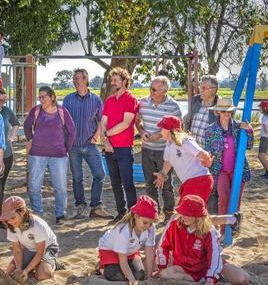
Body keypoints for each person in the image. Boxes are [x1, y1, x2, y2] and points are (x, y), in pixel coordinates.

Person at [154, 115, 241, 229]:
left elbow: (203, 154)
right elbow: (168, 162)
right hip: (191, 182)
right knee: (195, 216)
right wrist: (163, 174)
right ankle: (231, 220)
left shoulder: (185, 141)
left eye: (163, 128)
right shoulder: (169, 145)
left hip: (199, 180)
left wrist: (208, 162)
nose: (160, 131)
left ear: (172, 131)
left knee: (187, 214)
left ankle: (227, 222)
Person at [157, 195, 250, 285]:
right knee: (164, 274)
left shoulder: (209, 231)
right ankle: (200, 279)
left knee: (243, 279)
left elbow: (214, 256)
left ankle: (213, 275)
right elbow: (163, 246)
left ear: (198, 215)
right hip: (183, 266)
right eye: (183, 212)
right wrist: (162, 265)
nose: (184, 216)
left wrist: (211, 278)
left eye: (188, 214)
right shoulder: (174, 223)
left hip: (206, 265)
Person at [62, 68, 113, 220]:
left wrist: (97, 136)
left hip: (90, 144)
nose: (76, 81)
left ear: (85, 79)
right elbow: (63, 122)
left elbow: (101, 121)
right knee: (77, 177)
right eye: (74, 79)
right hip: (74, 146)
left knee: (100, 174)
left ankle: (96, 206)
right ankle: (80, 206)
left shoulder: (96, 100)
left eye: (78, 78)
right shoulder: (68, 100)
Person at [23, 86, 76, 225]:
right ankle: (37, 213)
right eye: (39, 97)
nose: (41, 100)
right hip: (37, 154)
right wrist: (30, 139)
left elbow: (72, 131)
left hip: (59, 155)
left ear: (52, 97)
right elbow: (27, 126)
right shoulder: (36, 111)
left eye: (44, 97)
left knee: (60, 186)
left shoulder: (62, 111)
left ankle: (60, 214)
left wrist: (66, 148)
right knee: (34, 185)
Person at [136, 76, 182, 223]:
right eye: (151, 88)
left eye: (155, 89)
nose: (151, 91)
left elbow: (178, 130)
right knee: (150, 183)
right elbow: (137, 121)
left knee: (166, 183)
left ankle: (169, 213)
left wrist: (158, 136)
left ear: (165, 91)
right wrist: (142, 131)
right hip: (146, 149)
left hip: (165, 151)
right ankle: (152, 213)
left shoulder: (173, 106)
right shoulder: (142, 102)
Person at [205, 98, 254, 224]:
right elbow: (208, 149)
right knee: (223, 198)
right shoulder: (210, 130)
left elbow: (249, 146)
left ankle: (234, 227)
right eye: (223, 111)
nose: (226, 114)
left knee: (236, 199)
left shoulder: (239, 127)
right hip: (220, 170)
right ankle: (223, 229)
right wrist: (207, 160)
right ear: (218, 112)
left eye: (229, 111)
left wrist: (249, 131)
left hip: (238, 169)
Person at [100, 67, 139, 222]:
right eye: (112, 79)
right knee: (115, 183)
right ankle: (121, 213)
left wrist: (107, 134)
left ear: (124, 81)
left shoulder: (131, 99)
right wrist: (106, 140)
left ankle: (133, 215)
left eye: (116, 79)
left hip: (124, 148)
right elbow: (103, 122)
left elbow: (126, 123)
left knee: (127, 182)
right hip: (109, 148)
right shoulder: (109, 100)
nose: (112, 82)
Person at [97, 195, 158, 283]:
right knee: (118, 276)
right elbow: (123, 261)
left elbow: (149, 251)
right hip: (110, 251)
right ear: (136, 216)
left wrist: (149, 277)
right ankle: (101, 267)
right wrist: (132, 281)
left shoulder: (150, 228)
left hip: (129, 252)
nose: (148, 226)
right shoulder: (123, 231)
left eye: (151, 223)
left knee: (140, 275)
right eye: (145, 222)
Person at [0, 196, 60, 283]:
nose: (10, 221)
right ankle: (37, 265)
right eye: (7, 219)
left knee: (43, 275)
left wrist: (26, 271)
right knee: (9, 272)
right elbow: (17, 250)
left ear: (23, 212)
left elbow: (40, 253)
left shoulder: (37, 225)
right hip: (29, 248)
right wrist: (19, 269)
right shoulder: (11, 226)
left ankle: (53, 264)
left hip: (47, 248)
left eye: (12, 217)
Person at [0, 86, 20, 229]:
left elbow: (16, 123)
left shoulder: (7, 111)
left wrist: (12, 136)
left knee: (0, 187)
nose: (1, 102)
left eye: (4, 99)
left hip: (7, 155)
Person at [183, 75, 220, 146]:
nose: (200, 90)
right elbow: (187, 121)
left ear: (213, 89)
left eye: (203, 88)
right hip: (192, 149)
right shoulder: (195, 101)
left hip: (209, 152)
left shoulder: (220, 106)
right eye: (200, 87)